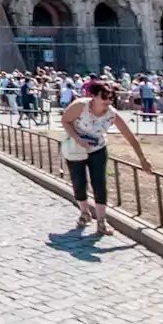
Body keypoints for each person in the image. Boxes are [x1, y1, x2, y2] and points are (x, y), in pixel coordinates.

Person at [60, 81, 152, 235]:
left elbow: (129, 136)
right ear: (94, 96)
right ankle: (84, 213)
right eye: (104, 98)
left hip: (98, 149)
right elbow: (65, 120)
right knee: (78, 180)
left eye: (111, 98)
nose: (108, 102)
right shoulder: (80, 106)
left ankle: (102, 221)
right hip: (76, 148)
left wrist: (142, 159)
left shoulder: (111, 114)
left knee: (100, 183)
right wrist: (77, 139)